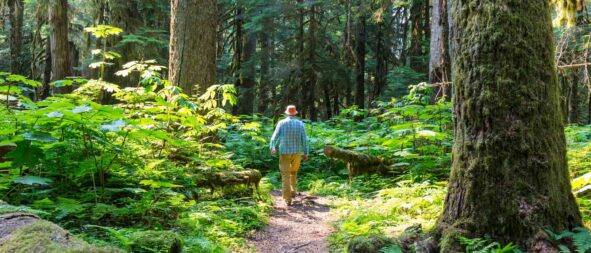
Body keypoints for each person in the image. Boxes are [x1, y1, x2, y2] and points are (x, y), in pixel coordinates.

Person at [269, 105, 309, 206]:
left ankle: (287, 199)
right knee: (294, 172)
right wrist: (306, 152)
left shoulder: (281, 123)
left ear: (286, 113)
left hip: (284, 152)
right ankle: (293, 191)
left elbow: (274, 137)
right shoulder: (300, 124)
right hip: (297, 153)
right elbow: (304, 139)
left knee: (285, 175)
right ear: (295, 113)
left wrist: (272, 147)